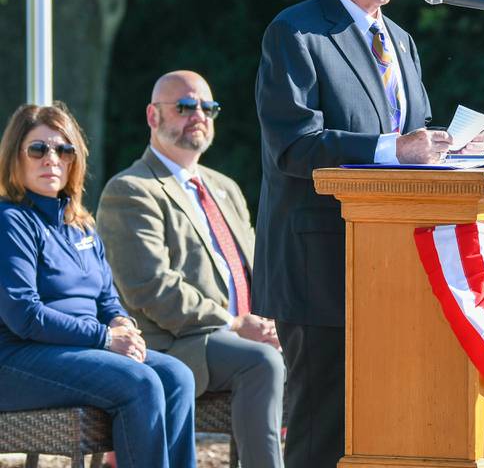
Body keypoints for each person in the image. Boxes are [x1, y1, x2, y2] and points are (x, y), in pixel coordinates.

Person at [254, 0, 484, 468]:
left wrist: (449, 147)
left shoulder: (400, 40)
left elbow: (411, 136)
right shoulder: (297, 34)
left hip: (398, 268)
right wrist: (397, 148)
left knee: (391, 426)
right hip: (321, 269)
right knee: (322, 430)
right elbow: (294, 145)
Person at [96, 70, 284, 468]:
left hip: (239, 335)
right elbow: (150, 287)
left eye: (207, 107)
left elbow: (255, 271)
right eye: (184, 107)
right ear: (153, 116)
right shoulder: (130, 189)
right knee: (262, 362)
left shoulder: (224, 187)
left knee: (321, 348)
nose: (198, 115)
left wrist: (274, 323)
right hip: (175, 344)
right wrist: (235, 324)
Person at [0, 102, 196, 468]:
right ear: (16, 156)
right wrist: (105, 339)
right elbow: (23, 315)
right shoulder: (10, 221)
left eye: (64, 149)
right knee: (141, 382)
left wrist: (122, 323)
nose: (51, 159)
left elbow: (107, 298)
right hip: (16, 359)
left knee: (176, 376)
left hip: (80, 350)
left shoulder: (81, 225)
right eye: (38, 149)